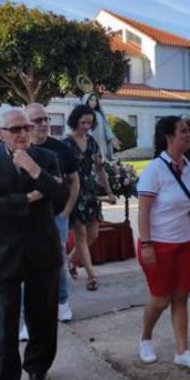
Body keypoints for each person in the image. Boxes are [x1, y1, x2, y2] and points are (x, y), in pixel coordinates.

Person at [0, 109, 68, 380]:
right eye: (15, 129)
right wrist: (26, 199)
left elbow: (61, 196)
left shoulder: (47, 158)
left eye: (27, 127)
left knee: (42, 315)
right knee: (6, 320)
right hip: (1, 253)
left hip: (41, 249)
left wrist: (34, 169)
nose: (24, 133)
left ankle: (38, 368)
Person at [136, 116, 190, 369]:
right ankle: (145, 338)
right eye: (183, 131)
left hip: (186, 243)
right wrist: (146, 244)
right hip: (158, 244)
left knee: (181, 297)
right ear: (169, 137)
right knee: (161, 298)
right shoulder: (154, 170)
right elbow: (143, 212)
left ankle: (182, 351)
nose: (189, 135)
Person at [28, 103, 80, 322]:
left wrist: (66, 212)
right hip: (28, 217)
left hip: (56, 215)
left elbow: (74, 182)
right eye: (38, 120)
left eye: (46, 119)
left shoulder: (60, 149)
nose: (44, 124)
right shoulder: (20, 149)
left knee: (57, 262)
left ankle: (62, 302)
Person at [64, 104, 116, 291]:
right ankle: (92, 276)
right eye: (83, 122)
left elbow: (100, 169)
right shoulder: (66, 143)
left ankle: (69, 260)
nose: (86, 126)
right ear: (75, 121)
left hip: (90, 191)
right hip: (74, 192)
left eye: (90, 122)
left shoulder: (92, 142)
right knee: (81, 234)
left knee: (93, 234)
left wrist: (109, 191)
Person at [80, 93, 120, 161]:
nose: (94, 102)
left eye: (95, 100)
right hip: (88, 140)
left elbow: (106, 127)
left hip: (100, 140)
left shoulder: (98, 114)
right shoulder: (82, 115)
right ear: (86, 101)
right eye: (91, 100)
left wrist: (111, 138)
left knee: (101, 158)